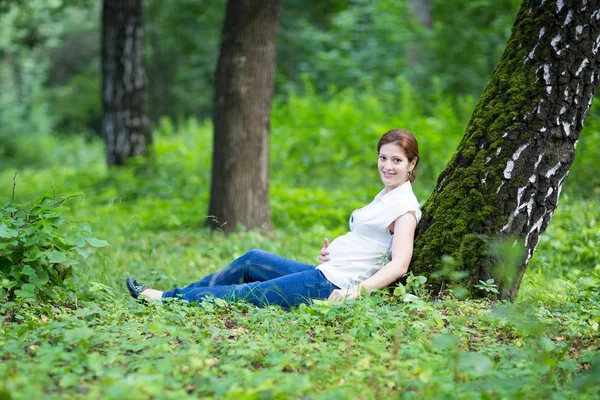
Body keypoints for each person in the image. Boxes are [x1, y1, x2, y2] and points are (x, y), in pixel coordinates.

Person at [126, 129, 421, 308]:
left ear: (412, 164)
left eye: (397, 160)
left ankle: (164, 299)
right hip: (325, 272)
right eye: (384, 158)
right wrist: (336, 253)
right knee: (252, 258)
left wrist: (355, 292)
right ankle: (178, 294)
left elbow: (399, 263)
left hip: (332, 286)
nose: (388, 166)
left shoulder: (404, 207)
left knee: (244, 293)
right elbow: (369, 243)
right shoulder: (386, 195)